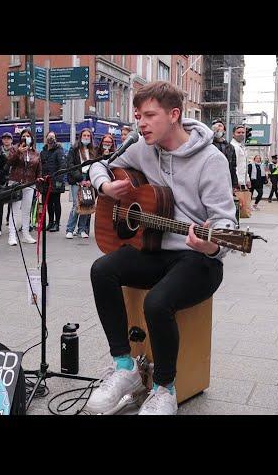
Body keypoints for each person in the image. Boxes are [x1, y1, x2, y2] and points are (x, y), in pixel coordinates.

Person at [87, 81, 236, 415]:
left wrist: (211, 244)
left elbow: (226, 225)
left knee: (157, 302)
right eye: (138, 115)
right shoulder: (141, 147)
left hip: (199, 259)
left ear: (174, 115)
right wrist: (107, 186)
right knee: (103, 269)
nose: (141, 123)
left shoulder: (211, 160)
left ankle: (164, 388)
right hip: (154, 249)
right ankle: (125, 368)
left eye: (149, 115)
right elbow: (98, 164)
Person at [6, 128, 41, 246]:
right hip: (16, 182)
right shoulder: (15, 149)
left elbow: (38, 170)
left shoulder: (36, 153)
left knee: (26, 210)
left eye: (28, 136)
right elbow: (9, 162)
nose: (26, 138)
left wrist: (38, 182)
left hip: (30, 183)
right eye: (24, 136)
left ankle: (26, 234)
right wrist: (18, 152)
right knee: (14, 210)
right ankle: (12, 235)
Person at [65, 128, 96, 239]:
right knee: (76, 205)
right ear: (80, 136)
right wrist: (79, 179)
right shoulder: (74, 149)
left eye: (88, 136)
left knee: (86, 204)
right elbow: (70, 165)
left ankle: (82, 230)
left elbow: (95, 166)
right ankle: (70, 229)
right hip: (77, 179)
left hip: (88, 179)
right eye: (84, 135)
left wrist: (90, 180)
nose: (86, 137)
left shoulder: (93, 150)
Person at [40, 131, 66, 232]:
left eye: (52, 137)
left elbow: (62, 166)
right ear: (46, 138)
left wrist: (56, 179)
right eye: (49, 137)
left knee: (56, 202)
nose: (50, 139)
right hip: (45, 182)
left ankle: (57, 223)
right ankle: (50, 222)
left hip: (55, 182)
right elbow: (41, 166)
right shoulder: (43, 152)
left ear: (55, 138)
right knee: (48, 203)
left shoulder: (59, 151)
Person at [211, 119, 238, 188]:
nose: (217, 128)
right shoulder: (208, 144)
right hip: (211, 178)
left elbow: (233, 166)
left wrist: (234, 183)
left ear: (224, 131)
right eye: (215, 126)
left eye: (220, 126)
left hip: (225, 179)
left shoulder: (230, 147)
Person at [0, 132, 15, 227]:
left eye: (8, 138)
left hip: (12, 177)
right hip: (1, 177)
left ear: (11, 140)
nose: (6, 140)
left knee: (11, 200)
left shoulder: (15, 150)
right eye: (5, 138)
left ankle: (9, 218)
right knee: (0, 198)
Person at [231, 125, 249, 191]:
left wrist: (247, 179)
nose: (241, 134)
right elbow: (233, 166)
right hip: (237, 183)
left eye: (243, 133)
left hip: (242, 182)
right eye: (238, 133)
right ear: (233, 134)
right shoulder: (233, 147)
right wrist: (237, 181)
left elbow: (244, 166)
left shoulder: (241, 147)